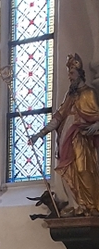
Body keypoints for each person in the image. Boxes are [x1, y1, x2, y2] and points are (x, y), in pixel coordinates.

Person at [30, 53, 99, 214]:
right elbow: (58, 117)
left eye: (72, 73)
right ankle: (79, 205)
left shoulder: (89, 93)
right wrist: (40, 134)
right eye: (69, 74)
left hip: (82, 137)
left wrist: (96, 125)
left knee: (84, 170)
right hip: (68, 139)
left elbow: (96, 114)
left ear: (80, 74)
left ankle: (93, 205)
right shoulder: (70, 96)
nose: (69, 77)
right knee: (70, 171)